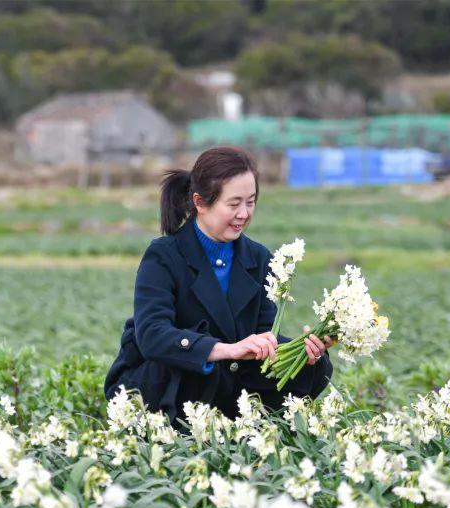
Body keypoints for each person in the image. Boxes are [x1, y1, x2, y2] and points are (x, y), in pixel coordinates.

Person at [104, 145, 334, 426]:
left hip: (226, 382)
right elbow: (153, 336)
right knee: (189, 363)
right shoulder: (164, 255)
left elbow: (262, 337)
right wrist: (228, 349)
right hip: (167, 383)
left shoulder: (259, 258)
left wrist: (302, 352)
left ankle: (241, 426)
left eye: (250, 202)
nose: (244, 214)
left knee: (312, 369)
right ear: (200, 203)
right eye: (234, 204)